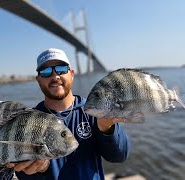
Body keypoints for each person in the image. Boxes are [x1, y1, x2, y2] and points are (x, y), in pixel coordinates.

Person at [9, 48, 130, 180]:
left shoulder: (93, 110)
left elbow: (119, 156)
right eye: (46, 71)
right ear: (38, 79)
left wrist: (107, 128)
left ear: (71, 74)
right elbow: (23, 173)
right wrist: (41, 169)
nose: (55, 76)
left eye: (61, 69)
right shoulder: (29, 121)